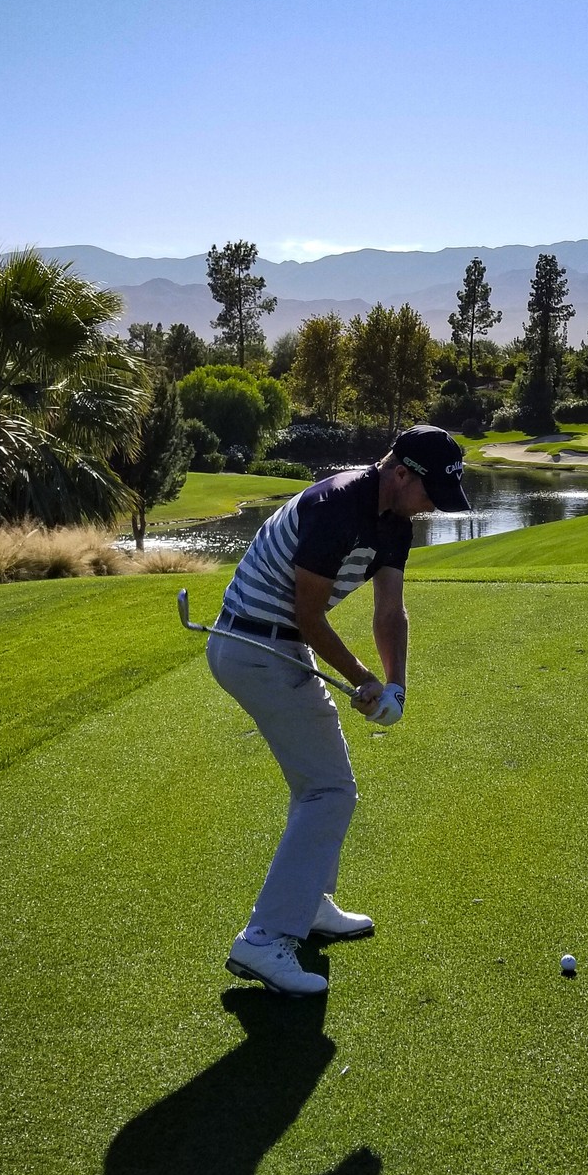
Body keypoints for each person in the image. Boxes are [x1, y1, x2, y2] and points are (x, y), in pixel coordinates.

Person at [208, 424, 470, 996]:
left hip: (279, 647)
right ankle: (264, 939)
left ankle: (308, 903)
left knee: (323, 785)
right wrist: (363, 682)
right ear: (401, 473)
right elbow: (309, 615)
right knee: (330, 790)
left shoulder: (394, 522)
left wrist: (396, 686)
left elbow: (390, 613)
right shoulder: (336, 504)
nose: (431, 509)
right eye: (430, 494)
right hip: (254, 646)